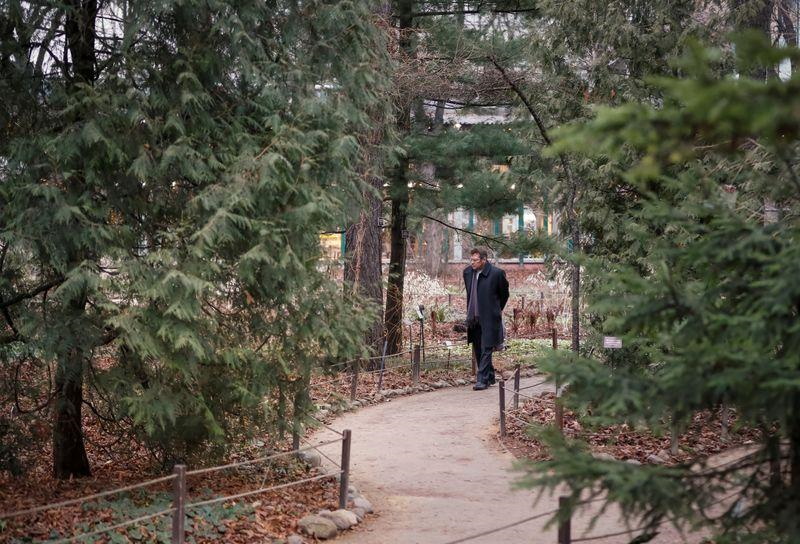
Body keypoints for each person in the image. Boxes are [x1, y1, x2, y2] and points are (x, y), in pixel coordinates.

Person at [464, 247, 509, 390]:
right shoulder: (467, 273)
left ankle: (481, 380)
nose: (472, 263)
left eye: (475, 260)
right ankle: (489, 376)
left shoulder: (496, 274)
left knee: (486, 348)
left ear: (484, 260)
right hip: (473, 317)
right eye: (471, 259)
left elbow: (504, 294)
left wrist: (496, 309)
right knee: (478, 349)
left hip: (490, 317)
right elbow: (470, 294)